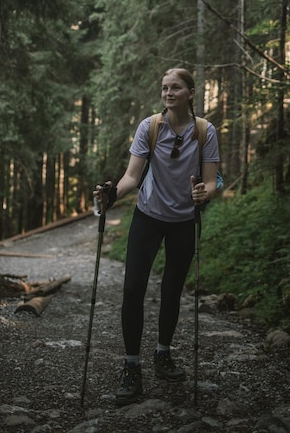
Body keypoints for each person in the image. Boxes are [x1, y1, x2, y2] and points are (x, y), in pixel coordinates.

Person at [94, 67, 220, 405]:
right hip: (148, 216)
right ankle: (132, 367)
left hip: (183, 221)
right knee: (133, 287)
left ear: (190, 92)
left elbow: (210, 181)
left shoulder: (204, 131)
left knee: (172, 290)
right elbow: (131, 176)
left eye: (175, 87)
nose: (168, 93)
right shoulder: (149, 127)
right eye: (164, 87)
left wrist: (203, 194)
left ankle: (163, 354)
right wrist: (112, 194)